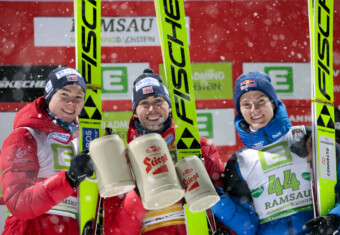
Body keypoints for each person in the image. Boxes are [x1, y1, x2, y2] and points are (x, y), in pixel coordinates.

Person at [210, 71, 340, 235]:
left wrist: (334, 219)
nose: (254, 109)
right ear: (240, 110)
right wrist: (217, 201)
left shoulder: (308, 137)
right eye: (246, 104)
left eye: (260, 100)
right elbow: (247, 227)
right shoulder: (239, 161)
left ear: (273, 102)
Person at [103, 68, 227, 235]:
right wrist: (138, 194)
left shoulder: (200, 147)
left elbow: (225, 200)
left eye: (158, 101)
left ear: (169, 107)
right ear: (135, 113)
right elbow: (115, 231)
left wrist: (225, 231)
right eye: (144, 103)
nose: (152, 109)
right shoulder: (123, 162)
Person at [0, 67, 94, 234]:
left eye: (78, 97)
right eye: (64, 94)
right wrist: (68, 179)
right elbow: (18, 203)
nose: (71, 103)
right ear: (49, 96)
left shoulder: (82, 142)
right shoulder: (24, 137)